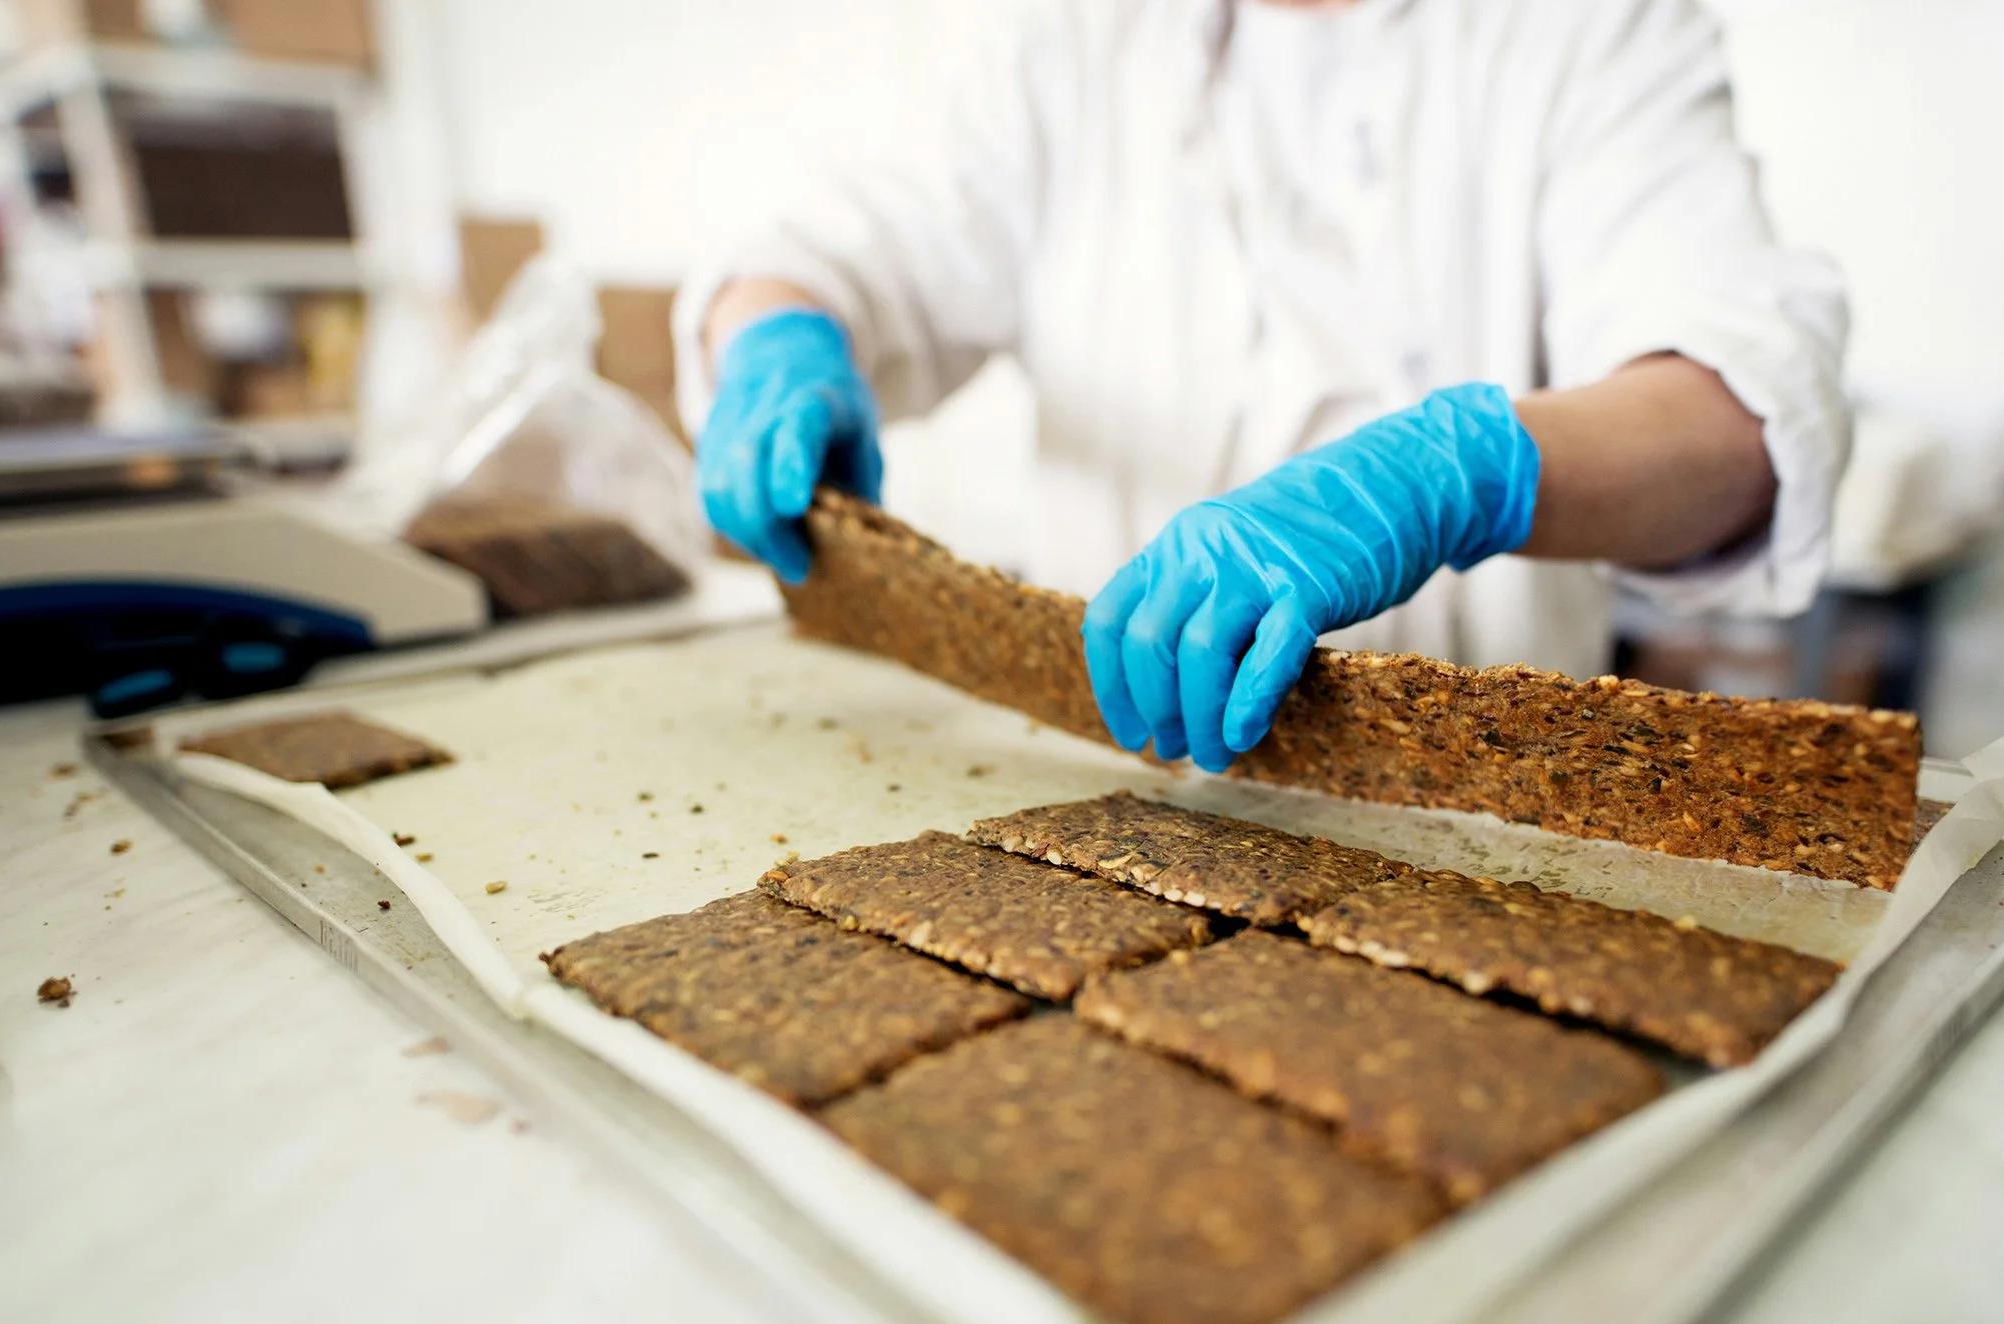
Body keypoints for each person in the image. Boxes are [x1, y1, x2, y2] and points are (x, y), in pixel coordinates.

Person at [674, 0, 1847, 774]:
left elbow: (1736, 419)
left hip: (1486, 814)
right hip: (1104, 776)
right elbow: (832, 253)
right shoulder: (1073, 39)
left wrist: (1457, 474)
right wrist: (778, 341)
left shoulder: (1592, 34)